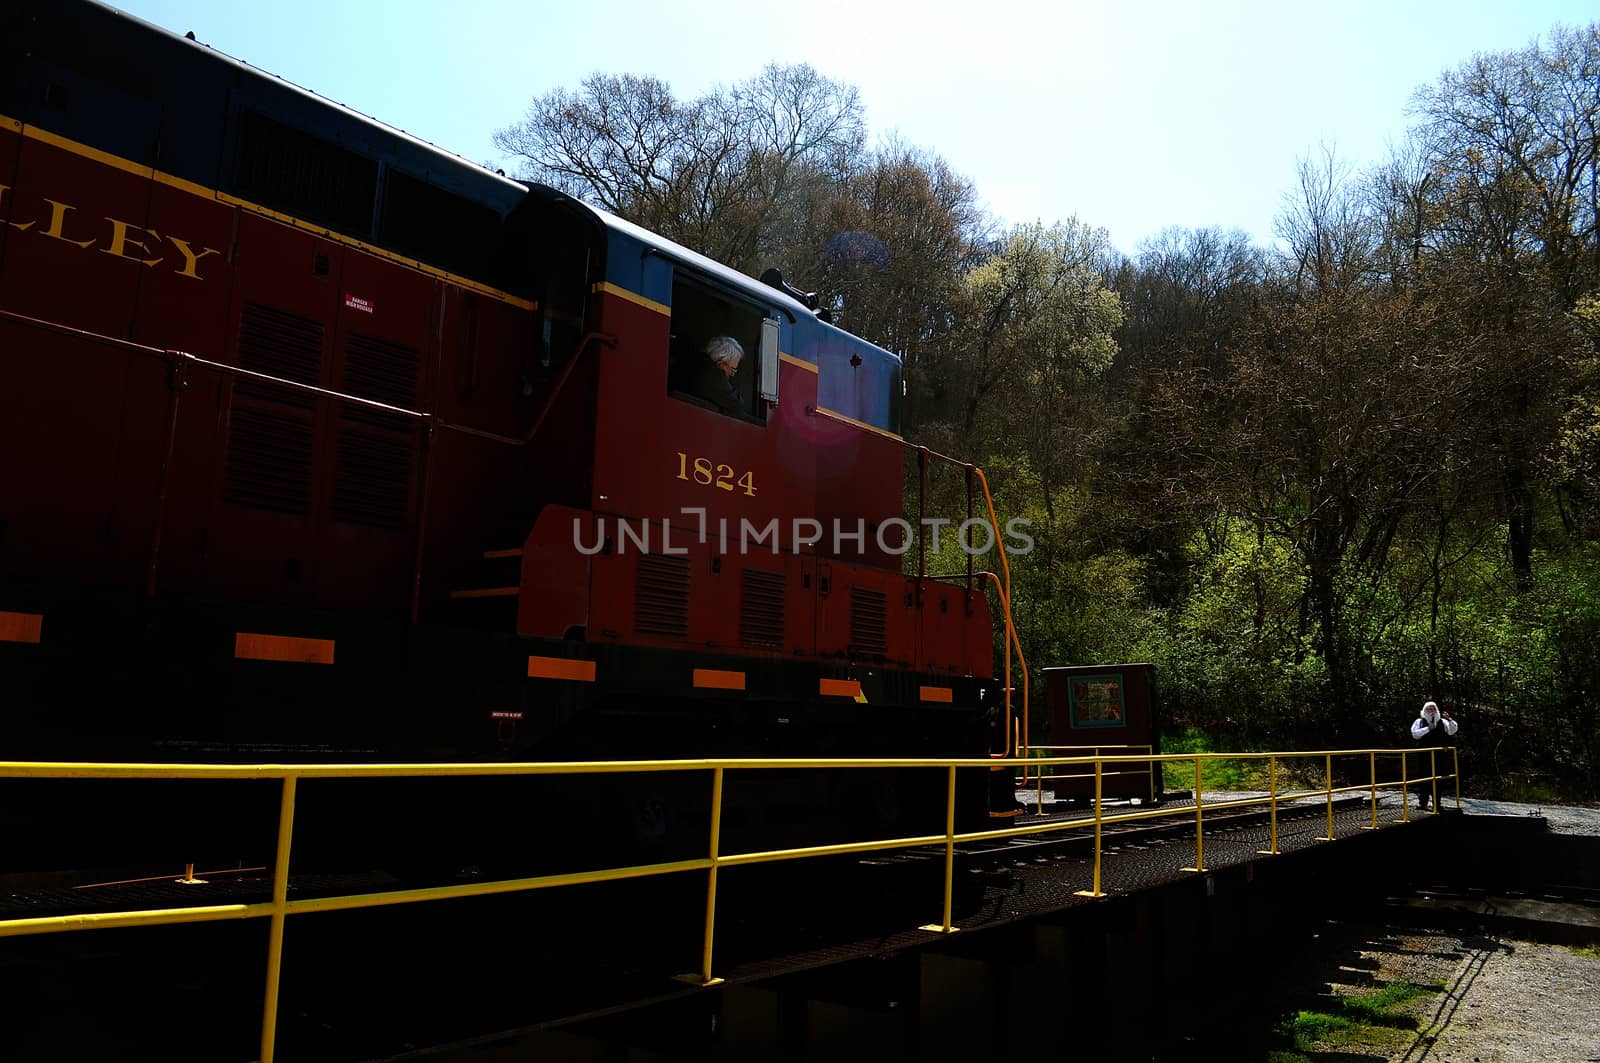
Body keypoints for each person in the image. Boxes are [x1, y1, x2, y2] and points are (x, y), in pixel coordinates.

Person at [1410, 699, 1458, 811]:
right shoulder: (1419, 721)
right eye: (1429, 709)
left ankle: (1437, 804)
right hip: (1424, 755)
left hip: (1439, 756)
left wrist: (1450, 719)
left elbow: (1452, 731)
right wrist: (1428, 728)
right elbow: (1415, 734)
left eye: (1434, 709)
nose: (1432, 711)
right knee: (1424, 779)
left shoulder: (1442, 721)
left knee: (1439, 780)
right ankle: (1423, 803)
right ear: (1424, 710)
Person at [687, 336, 743, 416]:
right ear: (721, 363)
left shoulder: (694, 363)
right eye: (732, 369)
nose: (731, 374)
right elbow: (737, 404)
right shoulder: (714, 376)